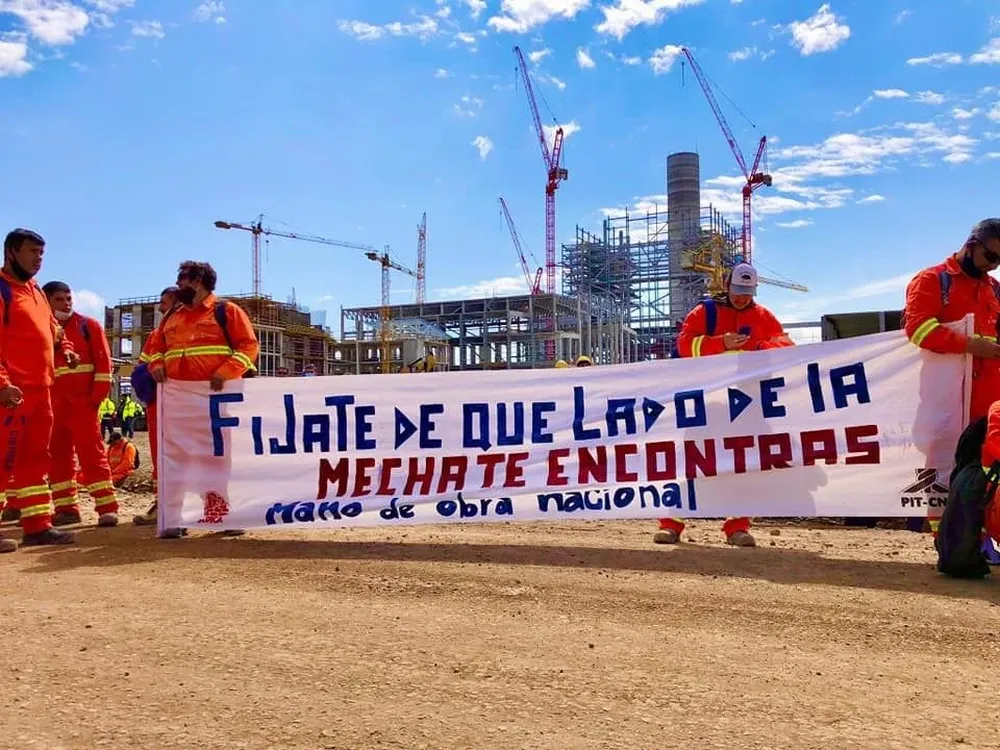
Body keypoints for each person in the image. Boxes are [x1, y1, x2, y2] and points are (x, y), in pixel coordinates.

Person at [654, 262, 794, 548]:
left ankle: (737, 527)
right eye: (737, 290)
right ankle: (672, 524)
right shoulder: (704, 312)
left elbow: (786, 349)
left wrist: (756, 347)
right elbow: (684, 347)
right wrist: (721, 343)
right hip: (705, 403)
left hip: (745, 404)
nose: (741, 297)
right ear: (727, 285)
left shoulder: (764, 317)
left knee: (743, 464)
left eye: (747, 292)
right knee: (693, 461)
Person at [142, 261, 259, 538]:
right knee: (176, 458)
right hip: (177, 401)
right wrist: (156, 365)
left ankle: (219, 515)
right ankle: (173, 518)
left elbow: (249, 345)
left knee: (215, 459)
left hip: (214, 400)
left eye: (183, 279)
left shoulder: (226, 311)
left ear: (199, 281)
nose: (179, 283)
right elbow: (156, 348)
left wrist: (226, 372)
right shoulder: (173, 316)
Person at [903, 218, 1000, 535]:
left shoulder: (992, 287)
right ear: (972, 245)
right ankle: (946, 538)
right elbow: (917, 329)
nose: (993, 266)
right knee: (942, 467)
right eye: (991, 257)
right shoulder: (932, 280)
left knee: (987, 467)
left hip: (987, 400)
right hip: (946, 398)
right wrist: (967, 344)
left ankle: (980, 537)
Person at [0, 228, 78, 552]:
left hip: (41, 391)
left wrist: (67, 349)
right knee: (3, 461)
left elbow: (54, 331)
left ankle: (37, 526)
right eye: (32, 252)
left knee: (36, 460)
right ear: (11, 252)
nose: (38, 259)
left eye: (42, 254)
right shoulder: (2, 290)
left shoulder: (36, 292)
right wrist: (2, 385)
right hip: (11, 394)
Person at [42, 280, 119, 527]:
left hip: (82, 404)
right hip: (54, 406)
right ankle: (66, 509)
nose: (66, 303)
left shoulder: (89, 325)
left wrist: (95, 401)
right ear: (46, 301)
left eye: (69, 298)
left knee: (92, 455)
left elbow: (105, 366)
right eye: (59, 299)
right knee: (58, 458)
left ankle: (107, 508)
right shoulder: (43, 330)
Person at [132, 286, 178, 527]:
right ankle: (164, 504)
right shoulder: (155, 335)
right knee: (162, 456)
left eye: (164, 303)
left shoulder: (189, 333)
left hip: (180, 405)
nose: (160, 308)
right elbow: (141, 372)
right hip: (159, 406)